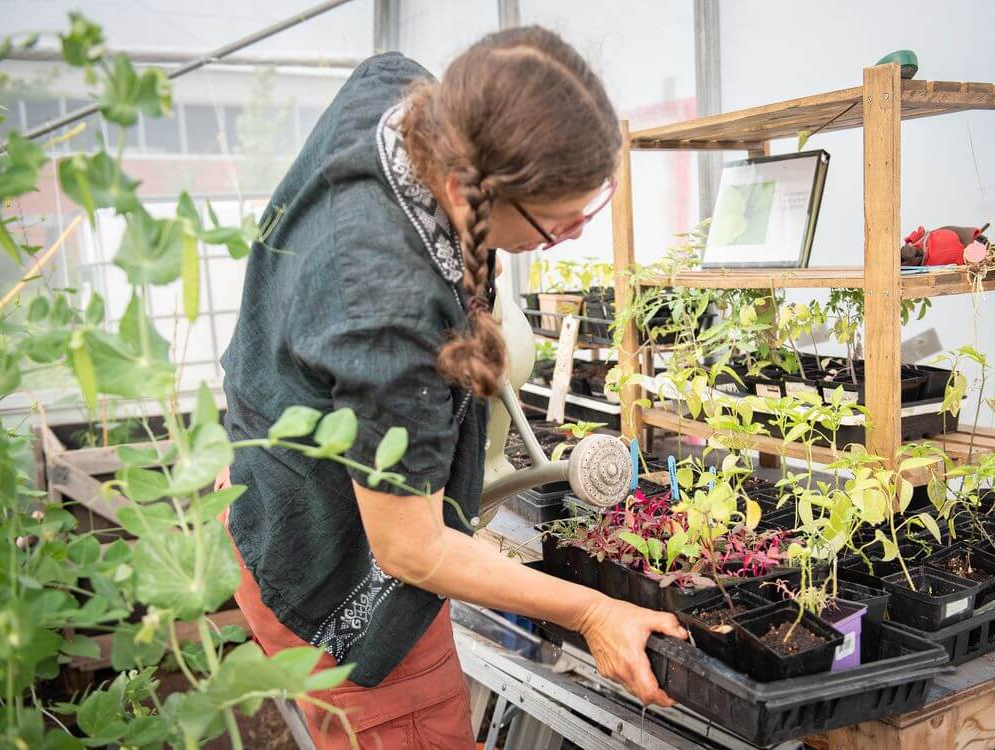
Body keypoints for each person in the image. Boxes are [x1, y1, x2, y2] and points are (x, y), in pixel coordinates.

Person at [215, 27, 687, 749]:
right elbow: (410, 550)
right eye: (558, 228)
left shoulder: (398, 94)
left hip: (268, 475)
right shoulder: (387, 316)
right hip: (325, 560)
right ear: (477, 190)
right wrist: (592, 612)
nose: (568, 238)